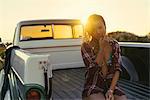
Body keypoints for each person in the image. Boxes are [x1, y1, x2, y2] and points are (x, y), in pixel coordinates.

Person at [81, 14, 127, 100]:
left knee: (123, 99)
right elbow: (92, 70)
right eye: (94, 30)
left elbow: (117, 69)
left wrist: (111, 90)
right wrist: (101, 49)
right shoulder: (86, 46)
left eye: (100, 27)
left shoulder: (114, 44)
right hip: (94, 84)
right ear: (90, 31)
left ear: (105, 26)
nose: (98, 32)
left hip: (111, 84)